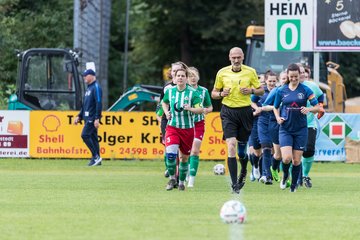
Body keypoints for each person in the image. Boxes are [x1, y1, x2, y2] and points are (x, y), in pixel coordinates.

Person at [211, 47, 264, 194]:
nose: (236, 60)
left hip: (245, 111)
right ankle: (234, 184)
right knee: (231, 144)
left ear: (242, 57)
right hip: (228, 111)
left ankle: (244, 169)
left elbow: (261, 90)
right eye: (233, 57)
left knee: (241, 151)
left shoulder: (250, 71)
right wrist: (221, 93)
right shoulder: (222, 73)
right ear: (229, 57)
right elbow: (214, 93)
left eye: (238, 57)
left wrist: (251, 91)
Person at [273, 63, 319, 192]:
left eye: (296, 76)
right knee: (286, 158)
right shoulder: (281, 90)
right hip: (286, 129)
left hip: (301, 129)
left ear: (300, 75)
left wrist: (309, 108)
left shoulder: (306, 90)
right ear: (288, 75)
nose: (293, 79)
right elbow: (275, 107)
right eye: (291, 76)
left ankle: (293, 186)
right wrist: (278, 118)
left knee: (296, 160)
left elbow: (317, 108)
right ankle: (285, 176)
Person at [162, 68, 203, 191]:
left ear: (186, 78)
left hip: (188, 130)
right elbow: (164, 103)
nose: (180, 77)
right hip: (172, 127)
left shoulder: (192, 93)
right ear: (175, 78)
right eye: (178, 75)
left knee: (184, 158)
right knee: (170, 155)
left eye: (182, 76)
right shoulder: (170, 92)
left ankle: (181, 182)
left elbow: (200, 109)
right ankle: (172, 179)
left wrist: (190, 109)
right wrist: (166, 112)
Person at [157, 61, 187, 178]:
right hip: (168, 120)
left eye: (178, 71)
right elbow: (161, 104)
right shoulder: (167, 87)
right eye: (174, 71)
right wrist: (163, 115)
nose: (176, 73)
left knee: (182, 150)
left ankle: (180, 172)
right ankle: (172, 172)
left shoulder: (187, 87)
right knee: (169, 147)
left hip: (183, 121)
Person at [296, 64, 325, 188]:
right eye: (299, 72)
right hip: (292, 124)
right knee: (293, 153)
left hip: (309, 123)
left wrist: (320, 107)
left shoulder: (312, 86)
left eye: (303, 72)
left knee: (308, 150)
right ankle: (295, 175)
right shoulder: (287, 87)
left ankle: (305, 175)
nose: (302, 74)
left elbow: (320, 95)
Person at [186, 67, 213, 187]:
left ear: (198, 77)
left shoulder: (203, 91)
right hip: (185, 124)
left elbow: (210, 107)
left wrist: (207, 110)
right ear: (186, 78)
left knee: (195, 150)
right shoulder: (182, 91)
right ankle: (184, 172)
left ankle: (192, 179)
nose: (192, 77)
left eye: (194, 75)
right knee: (185, 152)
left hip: (198, 123)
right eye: (190, 75)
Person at [253, 71, 278, 185]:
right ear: (266, 81)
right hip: (262, 123)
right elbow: (251, 101)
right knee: (266, 148)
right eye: (270, 81)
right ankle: (266, 175)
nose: (272, 83)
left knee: (275, 151)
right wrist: (257, 108)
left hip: (275, 123)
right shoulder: (261, 91)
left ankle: (270, 171)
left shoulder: (279, 91)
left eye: (274, 81)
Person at [74, 69, 103, 166]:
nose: (84, 77)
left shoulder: (96, 87)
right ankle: (97, 159)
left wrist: (97, 118)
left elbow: (99, 103)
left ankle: (96, 157)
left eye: (86, 75)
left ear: (92, 76)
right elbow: (85, 105)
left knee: (84, 135)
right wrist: (79, 116)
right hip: (87, 118)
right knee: (94, 138)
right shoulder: (89, 88)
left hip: (92, 118)